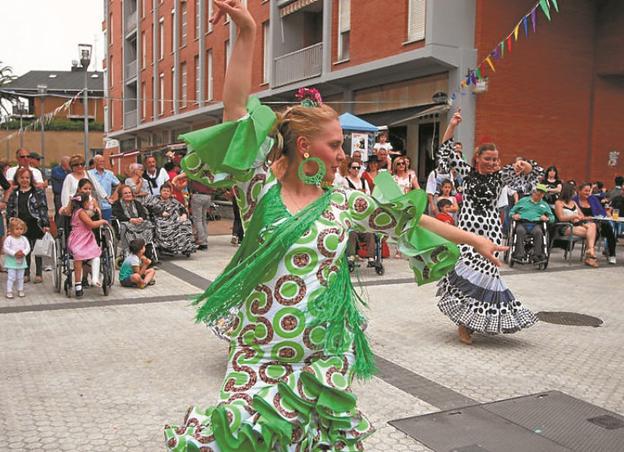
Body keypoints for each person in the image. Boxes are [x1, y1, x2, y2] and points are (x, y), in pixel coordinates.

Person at [163, 2, 504, 450]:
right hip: (259, 349)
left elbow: (407, 216)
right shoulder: (259, 191)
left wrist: (474, 237)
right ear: (304, 147)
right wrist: (245, 33)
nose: (344, 153)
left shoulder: (343, 200)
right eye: (336, 144)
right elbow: (234, 117)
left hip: (323, 351)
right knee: (246, 437)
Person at [435, 109, 541, 345]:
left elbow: (534, 177)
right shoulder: (466, 173)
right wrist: (452, 125)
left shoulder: (501, 177)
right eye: (488, 159)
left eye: (495, 159)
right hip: (467, 230)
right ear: (477, 159)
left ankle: (471, 322)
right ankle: (464, 322)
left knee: (486, 275)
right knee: (465, 271)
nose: (493, 163)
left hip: (492, 230)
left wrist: (526, 167)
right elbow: (445, 150)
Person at [6, 168, 50, 284]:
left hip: (36, 224)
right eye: (22, 178)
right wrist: (10, 226)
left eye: (27, 178)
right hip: (20, 226)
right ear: (17, 179)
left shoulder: (38, 192)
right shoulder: (14, 193)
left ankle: (39, 274)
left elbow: (43, 208)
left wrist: (45, 223)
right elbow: (10, 210)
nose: (25, 180)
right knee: (24, 249)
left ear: (31, 179)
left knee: (38, 249)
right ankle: (26, 273)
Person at [67, 193, 108, 297]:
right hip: (83, 237)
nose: (89, 203)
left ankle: (78, 285)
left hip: (76, 238)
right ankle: (94, 278)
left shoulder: (74, 211)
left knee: (79, 258)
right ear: (84, 203)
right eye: (88, 202)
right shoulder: (81, 212)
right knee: (95, 254)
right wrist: (102, 221)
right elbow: (91, 224)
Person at [554, 183, 599, 268]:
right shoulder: (558, 203)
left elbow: (581, 215)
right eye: (573, 192)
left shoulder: (573, 202)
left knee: (592, 225)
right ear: (568, 192)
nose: (575, 194)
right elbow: (561, 218)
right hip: (565, 226)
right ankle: (590, 255)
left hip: (577, 224)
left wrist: (586, 217)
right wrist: (573, 216)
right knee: (592, 232)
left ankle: (590, 252)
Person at [146, 182, 196, 256]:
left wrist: (184, 214)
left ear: (170, 193)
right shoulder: (154, 199)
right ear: (160, 192)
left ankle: (185, 247)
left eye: (168, 191)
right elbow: (149, 207)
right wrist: (160, 212)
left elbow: (182, 208)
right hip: (160, 219)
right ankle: (167, 248)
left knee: (186, 223)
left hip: (174, 218)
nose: (166, 192)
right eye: (164, 190)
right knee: (165, 225)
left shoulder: (173, 200)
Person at [509, 184, 554, 263]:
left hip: (536, 224)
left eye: (542, 194)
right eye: (538, 194)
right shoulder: (523, 201)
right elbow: (511, 212)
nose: (540, 196)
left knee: (539, 232)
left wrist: (547, 218)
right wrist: (513, 215)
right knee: (519, 231)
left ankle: (537, 255)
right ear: (533, 193)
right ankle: (519, 255)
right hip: (522, 222)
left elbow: (552, 218)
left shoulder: (544, 204)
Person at [574, 182, 617, 264]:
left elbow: (602, 212)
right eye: (585, 190)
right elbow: (574, 214)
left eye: (589, 190)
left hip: (596, 221)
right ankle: (590, 255)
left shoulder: (593, 198)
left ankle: (612, 255)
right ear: (579, 191)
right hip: (582, 223)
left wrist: (599, 216)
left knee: (609, 229)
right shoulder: (574, 200)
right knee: (595, 230)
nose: (587, 193)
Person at [112, 184, 155, 259]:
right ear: (121, 195)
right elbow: (118, 215)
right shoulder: (117, 204)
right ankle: (127, 251)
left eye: (129, 192)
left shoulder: (137, 203)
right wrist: (130, 219)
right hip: (126, 222)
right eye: (125, 193)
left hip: (138, 223)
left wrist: (141, 218)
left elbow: (143, 213)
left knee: (149, 225)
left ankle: (147, 252)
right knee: (124, 227)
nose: (128, 194)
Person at [3, 218, 30, 298]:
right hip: (11, 262)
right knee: (11, 277)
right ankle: (9, 291)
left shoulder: (24, 239)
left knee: (20, 277)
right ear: (11, 229)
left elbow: (28, 248)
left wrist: (24, 253)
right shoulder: (9, 239)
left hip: (21, 261)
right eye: (17, 229)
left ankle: (20, 289)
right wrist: (14, 253)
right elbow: (6, 248)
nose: (19, 231)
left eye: (21, 229)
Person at [88, 154, 120, 221]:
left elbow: (119, 184)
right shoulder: (89, 173)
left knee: (106, 224)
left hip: (106, 204)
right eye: (100, 161)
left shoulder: (109, 173)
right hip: (93, 205)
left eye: (103, 161)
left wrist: (114, 196)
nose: (102, 163)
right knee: (94, 225)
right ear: (95, 162)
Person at [189, 179, 213, 250]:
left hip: (198, 195)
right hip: (208, 196)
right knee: (203, 220)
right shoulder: (209, 173)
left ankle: (202, 242)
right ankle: (204, 239)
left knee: (198, 220)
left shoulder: (196, 172)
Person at [51, 156, 71, 224]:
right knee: (60, 212)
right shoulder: (56, 170)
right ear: (65, 163)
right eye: (69, 163)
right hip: (59, 195)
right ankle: (58, 228)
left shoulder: (69, 171)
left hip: (67, 195)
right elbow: (61, 177)